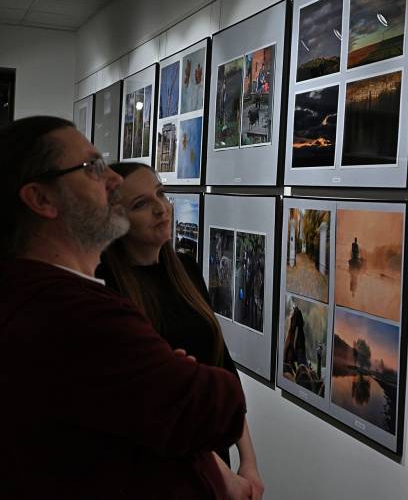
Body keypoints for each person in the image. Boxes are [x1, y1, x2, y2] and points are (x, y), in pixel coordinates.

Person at [0, 116, 246, 499]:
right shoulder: (77, 315)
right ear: (42, 199)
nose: (113, 180)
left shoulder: (38, 294)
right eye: (92, 167)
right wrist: (180, 377)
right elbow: (216, 407)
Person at [96, 162, 265, 499]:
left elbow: (221, 365)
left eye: (160, 194)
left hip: (212, 452)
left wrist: (248, 461)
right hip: (163, 469)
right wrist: (222, 476)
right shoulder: (108, 286)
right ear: (115, 219)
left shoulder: (185, 270)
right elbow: (152, 402)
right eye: (141, 203)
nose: (161, 208)